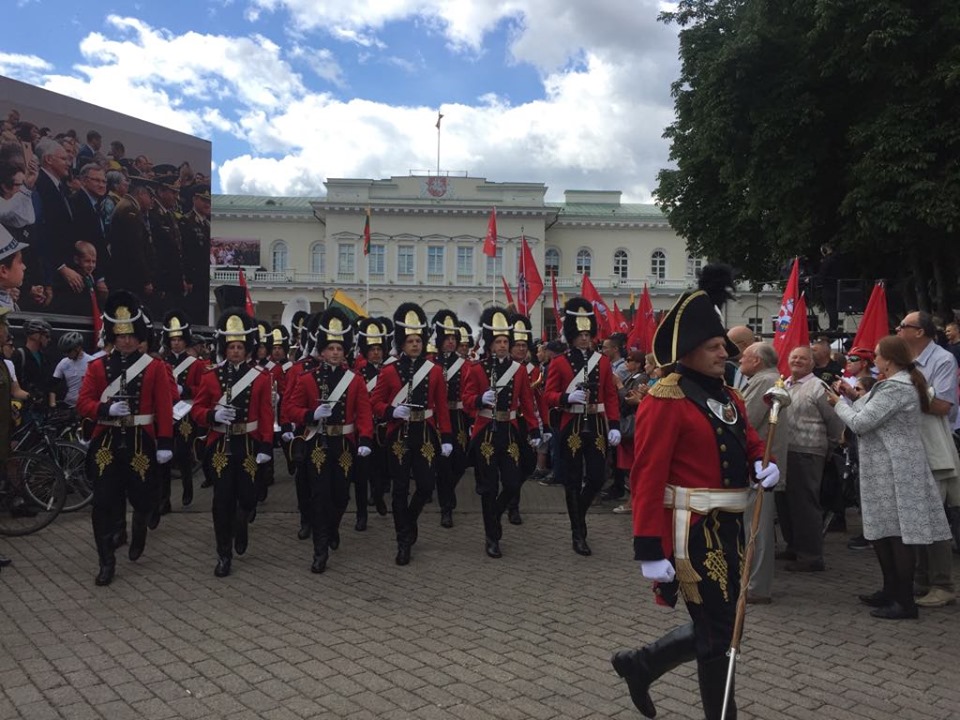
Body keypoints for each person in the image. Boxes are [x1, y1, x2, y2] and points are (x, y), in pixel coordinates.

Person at [612, 288, 778, 720]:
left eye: (724, 346)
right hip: (692, 530)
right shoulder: (665, 398)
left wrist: (763, 464)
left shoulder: (729, 396)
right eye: (714, 347)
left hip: (730, 527)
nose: (724, 353)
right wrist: (649, 547)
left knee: (722, 626)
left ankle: (642, 664)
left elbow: (750, 443)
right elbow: (647, 476)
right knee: (721, 634)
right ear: (688, 351)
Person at [828, 335, 953, 619]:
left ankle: (904, 601)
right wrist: (850, 397)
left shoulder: (897, 387)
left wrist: (837, 403)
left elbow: (861, 422)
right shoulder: (895, 384)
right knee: (883, 531)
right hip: (885, 467)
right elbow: (868, 410)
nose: (875, 359)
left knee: (897, 534)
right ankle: (891, 590)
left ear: (890, 359)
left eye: (877, 354)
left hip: (895, 468)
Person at [76, 291, 174, 586]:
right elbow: (83, 403)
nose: (126, 341)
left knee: (143, 498)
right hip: (107, 441)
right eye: (121, 336)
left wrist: (165, 442)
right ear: (113, 337)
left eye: (131, 335)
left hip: (139, 440)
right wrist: (104, 409)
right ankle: (106, 561)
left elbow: (164, 407)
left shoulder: (154, 368)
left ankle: (140, 525)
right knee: (103, 502)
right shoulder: (97, 367)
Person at [286, 308, 373, 573]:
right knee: (320, 495)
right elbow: (290, 409)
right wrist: (310, 414)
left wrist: (365, 439)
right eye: (330, 348)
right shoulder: (307, 379)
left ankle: (333, 527)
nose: (335, 352)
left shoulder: (355, 381)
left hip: (344, 443)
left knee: (341, 495)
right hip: (318, 443)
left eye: (339, 348)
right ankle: (320, 549)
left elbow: (364, 413)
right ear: (322, 351)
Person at [191, 308, 274, 578]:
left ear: (247, 349)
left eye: (240, 347)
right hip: (220, 445)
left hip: (248, 443)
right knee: (222, 500)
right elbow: (197, 410)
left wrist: (266, 445)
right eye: (231, 347)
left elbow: (265, 414)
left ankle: (242, 522)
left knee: (248, 497)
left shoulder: (260, 377)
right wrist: (212, 415)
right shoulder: (210, 376)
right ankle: (223, 554)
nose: (235, 351)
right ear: (224, 349)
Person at [370, 302, 452, 566]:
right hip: (399, 434)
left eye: (418, 340)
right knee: (400, 488)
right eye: (410, 341)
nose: (415, 345)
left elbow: (442, 406)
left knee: (426, 485)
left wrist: (447, 437)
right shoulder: (389, 371)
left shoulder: (435, 371)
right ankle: (402, 540)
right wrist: (391, 411)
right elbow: (375, 403)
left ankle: (409, 520)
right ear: (402, 344)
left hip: (425, 432)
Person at [542, 297, 620, 556]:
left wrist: (614, 424)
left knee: (597, 477)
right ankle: (578, 532)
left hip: (596, 423)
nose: (585, 339)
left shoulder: (603, 361)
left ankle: (579, 515)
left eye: (588, 334)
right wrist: (566, 398)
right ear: (572, 336)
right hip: (571, 423)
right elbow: (548, 395)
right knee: (573, 479)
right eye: (580, 335)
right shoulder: (560, 362)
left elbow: (610, 395)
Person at [461, 307, 541, 558]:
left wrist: (535, 429)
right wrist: (479, 400)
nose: (503, 346)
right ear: (490, 344)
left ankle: (494, 515)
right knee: (488, 486)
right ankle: (492, 537)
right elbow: (466, 400)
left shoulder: (519, 370)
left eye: (506, 341)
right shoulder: (477, 369)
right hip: (486, 430)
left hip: (510, 431)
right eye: (499, 342)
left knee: (513, 482)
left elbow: (527, 402)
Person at [897, 311, 960, 608]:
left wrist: (902, 398)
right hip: (910, 449)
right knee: (914, 517)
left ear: (919, 332)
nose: (898, 330)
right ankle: (921, 579)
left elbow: (944, 406)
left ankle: (942, 584)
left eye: (903, 326)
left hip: (932, 448)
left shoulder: (943, 360)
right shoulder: (905, 360)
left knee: (934, 517)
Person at [777, 346, 844, 571]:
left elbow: (835, 421)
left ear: (812, 363)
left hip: (808, 452)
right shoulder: (783, 384)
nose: (797, 361)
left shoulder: (819, 387)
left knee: (804, 505)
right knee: (785, 503)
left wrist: (830, 447)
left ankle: (810, 556)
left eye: (803, 358)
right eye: (794, 357)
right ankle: (793, 546)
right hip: (784, 451)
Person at [738, 341, 790, 603]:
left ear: (757, 360)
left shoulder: (765, 381)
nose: (740, 360)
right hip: (763, 464)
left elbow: (744, 418)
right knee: (755, 525)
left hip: (762, 465)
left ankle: (756, 587)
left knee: (756, 527)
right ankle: (752, 581)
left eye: (744, 356)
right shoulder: (766, 379)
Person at [160, 310, 205, 509]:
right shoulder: (161, 364)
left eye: (179, 339)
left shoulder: (196, 364)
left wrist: (184, 389)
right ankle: (165, 499)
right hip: (166, 411)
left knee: (183, 453)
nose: (176, 343)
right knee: (165, 454)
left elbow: (202, 390)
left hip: (186, 411)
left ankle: (187, 486)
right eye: (173, 339)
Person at [430, 309, 470, 529]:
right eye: (447, 338)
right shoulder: (430, 363)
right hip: (437, 417)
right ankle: (446, 507)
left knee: (461, 461)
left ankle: (447, 490)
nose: (451, 342)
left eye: (454, 338)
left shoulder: (465, 364)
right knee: (442, 463)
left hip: (459, 416)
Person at [48, 330, 92, 409]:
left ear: (78, 348)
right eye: (64, 351)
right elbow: (53, 386)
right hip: (68, 404)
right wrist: (53, 404)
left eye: (68, 351)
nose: (66, 354)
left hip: (86, 405)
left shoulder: (91, 362)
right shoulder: (64, 363)